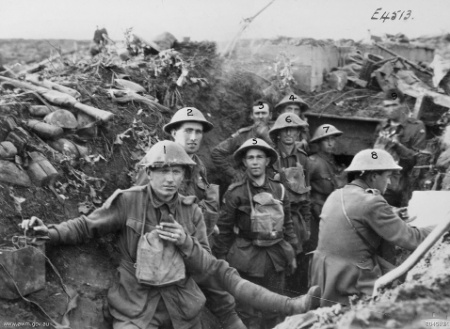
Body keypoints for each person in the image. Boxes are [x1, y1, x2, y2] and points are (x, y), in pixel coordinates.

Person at [135, 108, 245, 329]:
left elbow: (199, 204)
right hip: (164, 247)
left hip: (194, 242)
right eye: (188, 131)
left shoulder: (198, 166)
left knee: (219, 284)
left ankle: (230, 317)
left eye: (198, 132)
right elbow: (139, 208)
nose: (194, 137)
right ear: (174, 132)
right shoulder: (156, 162)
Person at [310, 149, 434, 307]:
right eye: (387, 176)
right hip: (351, 279)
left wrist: (392, 212)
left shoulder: (337, 194)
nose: (389, 183)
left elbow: (358, 212)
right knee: (395, 310)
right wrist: (442, 225)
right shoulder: (372, 202)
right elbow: (412, 238)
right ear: (373, 176)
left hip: (324, 274)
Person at [213, 138, 298, 329]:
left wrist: (292, 251)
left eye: (259, 157)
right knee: (246, 311)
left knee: (274, 309)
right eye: (250, 157)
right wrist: (221, 259)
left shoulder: (280, 190)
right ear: (244, 162)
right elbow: (224, 230)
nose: (255, 161)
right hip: (246, 257)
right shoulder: (235, 193)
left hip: (276, 257)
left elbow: (288, 224)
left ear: (267, 161)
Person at [268, 113, 312, 294]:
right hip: (274, 218)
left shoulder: (302, 159)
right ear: (277, 133)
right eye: (284, 129)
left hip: (296, 218)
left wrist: (307, 224)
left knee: (299, 262)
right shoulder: (270, 156)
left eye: (292, 129)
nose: (288, 133)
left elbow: (307, 193)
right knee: (277, 264)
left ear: (298, 132)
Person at [374, 88, 427, 207]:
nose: (390, 109)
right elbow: (373, 155)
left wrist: (398, 146)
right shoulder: (382, 127)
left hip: (401, 184)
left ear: (402, 105)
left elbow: (418, 161)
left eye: (394, 105)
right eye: (387, 106)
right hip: (380, 181)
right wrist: (376, 150)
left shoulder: (416, 127)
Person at [211, 99, 273, 186]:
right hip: (246, 183)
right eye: (257, 113)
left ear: (270, 115)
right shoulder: (243, 135)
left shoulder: (278, 134)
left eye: (263, 113)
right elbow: (217, 153)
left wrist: (266, 137)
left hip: (272, 181)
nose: (260, 116)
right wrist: (234, 173)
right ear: (251, 116)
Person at [307, 124, 347, 251]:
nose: (330, 143)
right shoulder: (313, 162)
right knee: (316, 248)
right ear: (319, 143)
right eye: (326, 140)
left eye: (333, 139)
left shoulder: (332, 162)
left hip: (331, 210)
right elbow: (304, 189)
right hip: (316, 212)